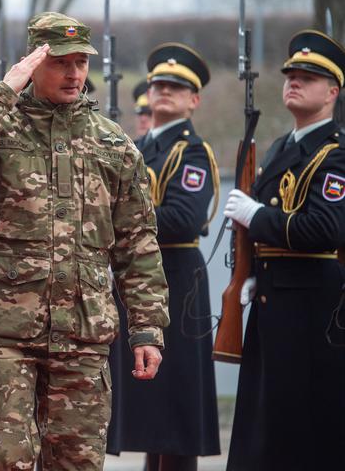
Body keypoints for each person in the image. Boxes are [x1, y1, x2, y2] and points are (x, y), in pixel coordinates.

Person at [0, 12, 169, 470]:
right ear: (34, 63)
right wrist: (3, 91)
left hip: (83, 332)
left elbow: (138, 243)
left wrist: (147, 328)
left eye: (81, 62)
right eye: (61, 62)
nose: (75, 73)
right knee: (3, 460)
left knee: (76, 463)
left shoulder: (112, 143)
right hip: (3, 332)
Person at [224, 29, 345, 470]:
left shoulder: (335, 155)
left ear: (332, 91)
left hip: (314, 311)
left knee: (303, 431)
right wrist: (253, 268)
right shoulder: (278, 149)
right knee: (264, 430)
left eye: (308, 77)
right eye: (291, 74)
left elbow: (326, 228)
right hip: (272, 300)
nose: (294, 81)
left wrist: (257, 217)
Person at [107, 44, 221, 470]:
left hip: (176, 280)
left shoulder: (192, 152)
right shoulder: (134, 147)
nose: (164, 91)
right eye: (158, 84)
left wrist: (121, 217)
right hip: (135, 282)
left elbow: (183, 219)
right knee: (150, 413)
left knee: (175, 412)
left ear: (194, 100)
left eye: (177, 87)